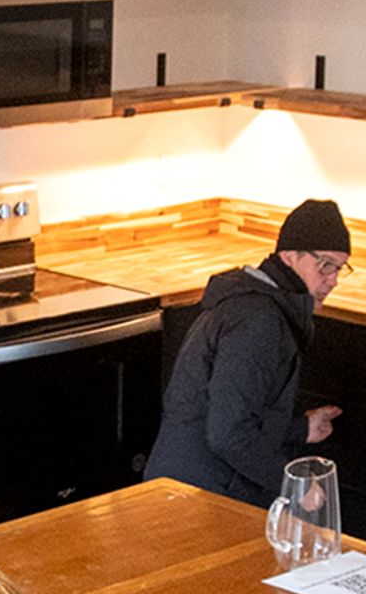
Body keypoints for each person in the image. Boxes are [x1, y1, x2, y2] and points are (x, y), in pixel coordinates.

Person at [150, 197, 352, 506]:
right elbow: (228, 434)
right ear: (289, 255)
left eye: (340, 268)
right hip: (196, 498)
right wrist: (294, 486)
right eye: (325, 265)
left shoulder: (266, 309)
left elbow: (239, 411)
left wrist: (301, 428)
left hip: (197, 488)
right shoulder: (258, 322)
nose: (333, 280)